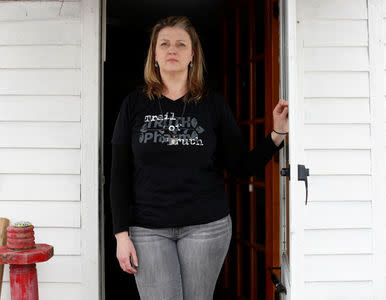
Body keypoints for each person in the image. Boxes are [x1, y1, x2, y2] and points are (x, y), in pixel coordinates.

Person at [110, 16, 288, 300]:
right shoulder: (134, 104)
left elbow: (241, 166)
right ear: (154, 55)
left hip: (206, 228)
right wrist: (121, 235)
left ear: (192, 55)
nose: (172, 50)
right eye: (164, 44)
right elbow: (118, 173)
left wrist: (276, 135)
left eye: (181, 44)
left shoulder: (212, 104)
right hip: (147, 229)